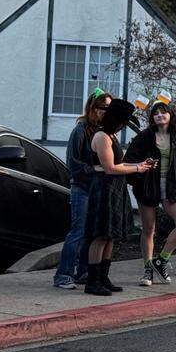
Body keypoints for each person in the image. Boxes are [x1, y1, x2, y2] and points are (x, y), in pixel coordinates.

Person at [85, 100, 154, 295]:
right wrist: (137, 168)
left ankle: (103, 277)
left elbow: (120, 165)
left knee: (111, 235)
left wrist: (140, 164)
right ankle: (92, 281)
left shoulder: (111, 136)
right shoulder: (101, 137)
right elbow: (109, 168)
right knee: (101, 235)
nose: (124, 126)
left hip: (115, 187)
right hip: (104, 187)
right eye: (123, 122)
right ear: (115, 120)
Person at [126, 101, 176, 286]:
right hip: (148, 186)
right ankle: (148, 270)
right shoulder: (144, 137)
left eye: (163, 112)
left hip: (172, 187)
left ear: (170, 115)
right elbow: (129, 161)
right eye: (156, 113)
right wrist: (141, 176)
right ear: (152, 118)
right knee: (149, 229)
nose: (159, 115)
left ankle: (161, 260)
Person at [54, 90, 111, 290]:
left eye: (109, 108)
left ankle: (83, 272)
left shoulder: (103, 131)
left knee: (91, 233)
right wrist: (95, 169)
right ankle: (63, 275)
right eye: (104, 108)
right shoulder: (80, 131)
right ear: (93, 108)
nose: (106, 112)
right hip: (82, 188)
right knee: (77, 232)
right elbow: (73, 163)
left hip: (97, 189)